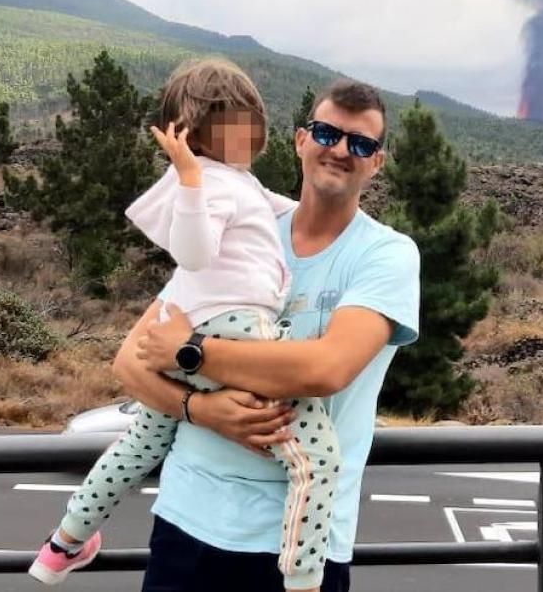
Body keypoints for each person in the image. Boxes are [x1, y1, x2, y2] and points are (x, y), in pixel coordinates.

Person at [30, 58, 339, 592]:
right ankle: (305, 578)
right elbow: (194, 253)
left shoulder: (235, 183)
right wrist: (191, 180)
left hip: (188, 328)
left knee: (139, 445)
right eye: (234, 125)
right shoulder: (208, 184)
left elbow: (282, 212)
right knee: (318, 462)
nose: (248, 134)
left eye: (250, 122)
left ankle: (64, 544)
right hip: (239, 330)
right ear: (195, 135)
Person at [117, 77, 420, 592]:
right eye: (327, 133)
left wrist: (192, 354)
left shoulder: (386, 255)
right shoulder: (244, 225)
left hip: (297, 546)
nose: (341, 150)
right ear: (301, 140)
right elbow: (130, 362)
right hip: (186, 524)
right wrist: (201, 410)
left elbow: (326, 369)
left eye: (361, 143)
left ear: (377, 162)